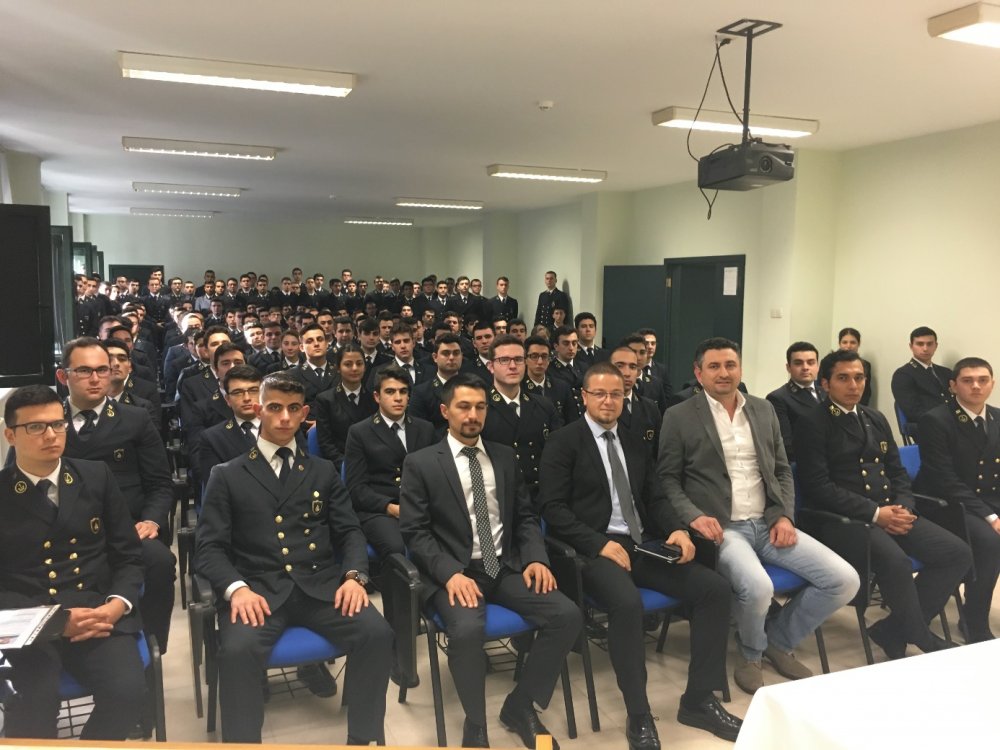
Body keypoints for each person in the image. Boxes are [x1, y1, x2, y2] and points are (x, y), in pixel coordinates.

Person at [540, 362, 741, 746]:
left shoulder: (634, 442)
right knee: (627, 604)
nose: (608, 401)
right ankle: (639, 713)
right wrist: (598, 543)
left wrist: (677, 529)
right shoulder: (564, 442)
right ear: (584, 396)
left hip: (641, 543)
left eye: (616, 394)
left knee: (715, 589)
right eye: (599, 393)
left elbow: (655, 498)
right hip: (593, 550)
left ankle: (698, 701)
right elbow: (553, 509)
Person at [195, 373, 392, 744]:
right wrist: (236, 589)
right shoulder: (227, 474)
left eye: (292, 409)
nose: (284, 417)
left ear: (304, 414)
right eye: (274, 408)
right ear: (259, 410)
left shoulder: (322, 471)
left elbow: (350, 531)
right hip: (259, 591)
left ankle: (362, 739)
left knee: (378, 634)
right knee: (235, 652)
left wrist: (354, 576)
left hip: (320, 588)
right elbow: (209, 547)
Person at [659, 338, 859, 693]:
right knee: (758, 588)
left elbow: (782, 470)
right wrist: (693, 517)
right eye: (714, 366)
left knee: (844, 580)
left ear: (740, 369)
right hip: (722, 528)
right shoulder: (679, 416)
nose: (724, 373)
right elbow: (667, 479)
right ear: (698, 373)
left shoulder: (763, 409)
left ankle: (778, 641)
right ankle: (751, 654)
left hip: (768, 523)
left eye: (730, 365)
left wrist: (784, 516)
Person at [400, 373, 582, 750]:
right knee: (467, 631)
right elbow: (415, 533)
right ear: (445, 411)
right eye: (464, 406)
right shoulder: (421, 463)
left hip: (504, 565)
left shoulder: (503, 456)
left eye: (480, 407)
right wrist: (450, 574)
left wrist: (536, 558)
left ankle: (520, 705)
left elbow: (525, 517)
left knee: (566, 615)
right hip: (456, 572)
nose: (473, 415)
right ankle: (476, 723)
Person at [795, 349, 972, 660]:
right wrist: (876, 513)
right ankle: (919, 635)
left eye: (859, 377)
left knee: (957, 553)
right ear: (825, 384)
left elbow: (897, 471)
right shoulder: (813, 422)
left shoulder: (874, 417)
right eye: (843, 378)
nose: (854, 385)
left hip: (892, 511)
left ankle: (894, 630)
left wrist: (904, 506)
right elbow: (818, 487)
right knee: (896, 563)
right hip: (843, 520)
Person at [0, 385, 146, 740]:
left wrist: (116, 605)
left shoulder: (95, 476)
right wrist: (56, 622)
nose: (51, 435)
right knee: (33, 704)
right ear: (10, 435)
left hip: (95, 611)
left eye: (58, 424)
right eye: (36, 427)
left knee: (128, 694)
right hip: (28, 621)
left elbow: (128, 554)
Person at [56, 337, 177, 654]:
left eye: (102, 370)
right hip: (62, 532)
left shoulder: (135, 418)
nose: (95, 379)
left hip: (127, 529)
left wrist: (152, 520)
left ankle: (152, 646)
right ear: (63, 376)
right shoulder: (48, 422)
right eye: (84, 371)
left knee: (161, 562)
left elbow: (160, 483)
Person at [912, 356, 1000, 643]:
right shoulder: (936, 420)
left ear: (992, 384)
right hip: (943, 503)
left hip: (986, 500)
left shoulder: (997, 417)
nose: (976, 386)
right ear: (952, 386)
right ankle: (975, 621)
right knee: (990, 541)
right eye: (967, 380)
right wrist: (991, 516)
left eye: (983, 380)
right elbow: (944, 479)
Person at [482, 335, 562, 492]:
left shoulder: (543, 405)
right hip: (499, 492)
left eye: (518, 359)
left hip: (540, 491)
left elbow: (557, 453)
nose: (513, 366)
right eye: (504, 360)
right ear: (491, 366)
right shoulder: (481, 407)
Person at [314, 344, 376, 467]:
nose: (354, 368)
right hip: (340, 464)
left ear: (365, 367)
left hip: (370, 464)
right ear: (338, 368)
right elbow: (326, 443)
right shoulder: (325, 400)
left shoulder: (374, 399)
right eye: (348, 364)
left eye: (359, 364)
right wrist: (345, 465)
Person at [890, 326, 956, 440]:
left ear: (936, 346)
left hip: (952, 425)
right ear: (911, 346)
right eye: (920, 344)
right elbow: (913, 411)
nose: (925, 349)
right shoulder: (903, 375)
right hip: (928, 428)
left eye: (929, 344)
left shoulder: (945, 372)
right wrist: (944, 421)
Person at [766, 342, 824, 461]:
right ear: (788, 367)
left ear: (818, 366)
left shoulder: (827, 393)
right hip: (805, 462)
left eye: (811, 362)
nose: (805, 367)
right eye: (798, 363)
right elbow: (786, 444)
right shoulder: (778, 398)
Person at [608, 346, 661, 459]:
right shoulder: (600, 407)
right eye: (620, 366)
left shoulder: (650, 408)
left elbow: (657, 453)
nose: (627, 373)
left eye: (633, 367)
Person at [409, 333, 465, 439]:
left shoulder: (473, 388)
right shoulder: (421, 393)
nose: (451, 357)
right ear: (435, 357)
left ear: (462, 356)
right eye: (446, 353)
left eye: (456, 353)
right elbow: (418, 432)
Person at [837, 327, 873, 406]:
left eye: (853, 342)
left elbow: (866, 394)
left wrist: (857, 410)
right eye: (844, 342)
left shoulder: (865, 365)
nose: (848, 346)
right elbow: (822, 392)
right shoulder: (828, 363)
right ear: (839, 344)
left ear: (859, 344)